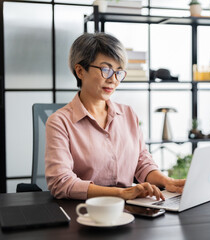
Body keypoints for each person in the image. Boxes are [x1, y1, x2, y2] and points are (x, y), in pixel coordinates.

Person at [45, 32, 185, 200]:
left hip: (132, 209)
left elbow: (142, 163)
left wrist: (167, 182)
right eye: (106, 70)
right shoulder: (60, 122)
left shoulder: (127, 114)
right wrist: (121, 194)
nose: (114, 80)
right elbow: (61, 183)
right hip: (84, 212)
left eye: (119, 72)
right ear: (80, 71)